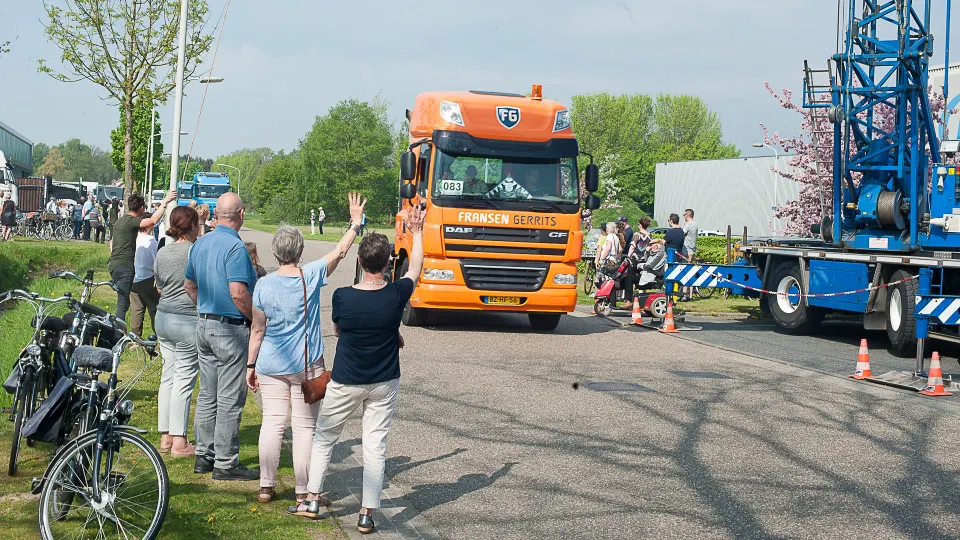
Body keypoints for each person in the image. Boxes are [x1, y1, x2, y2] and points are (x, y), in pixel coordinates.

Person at [294, 204, 425, 536]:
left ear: (360, 262)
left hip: (346, 379)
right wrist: (418, 231)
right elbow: (417, 270)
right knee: (375, 445)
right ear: (387, 264)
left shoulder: (342, 297)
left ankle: (311, 500)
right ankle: (367, 513)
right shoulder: (396, 294)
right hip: (384, 381)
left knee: (325, 437)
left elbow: (339, 329)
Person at [246, 195, 364, 505]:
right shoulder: (309, 275)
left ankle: (266, 486)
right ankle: (302, 490)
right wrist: (354, 223)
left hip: (270, 362)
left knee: (272, 422)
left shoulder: (263, 285)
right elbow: (339, 252)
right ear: (299, 251)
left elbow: (258, 329)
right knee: (304, 427)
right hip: (306, 364)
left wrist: (250, 366)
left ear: (275, 251)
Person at [183, 192, 260, 481]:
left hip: (204, 323)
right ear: (240, 214)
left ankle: (205, 454)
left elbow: (189, 284)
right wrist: (256, 320)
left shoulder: (201, 243)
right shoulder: (235, 248)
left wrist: (204, 308)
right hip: (229, 328)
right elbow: (239, 293)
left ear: (216, 213)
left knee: (207, 392)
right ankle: (226, 462)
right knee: (229, 396)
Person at [154, 207, 202, 458]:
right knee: (184, 380)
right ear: (192, 226)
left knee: (168, 377)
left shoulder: (162, 251)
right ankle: (180, 442)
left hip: (162, 318)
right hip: (186, 320)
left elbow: (159, 287)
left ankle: (166, 436)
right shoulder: (195, 251)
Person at [108, 192, 174, 322]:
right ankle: (117, 335)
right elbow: (153, 220)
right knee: (122, 305)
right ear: (142, 208)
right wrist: (165, 202)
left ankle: (123, 333)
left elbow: (111, 242)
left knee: (125, 302)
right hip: (124, 266)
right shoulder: (131, 221)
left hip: (113, 265)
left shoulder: (121, 220)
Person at [130, 220, 160, 337]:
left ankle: (135, 337)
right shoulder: (151, 240)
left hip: (134, 277)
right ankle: (158, 333)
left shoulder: (133, 239)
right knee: (154, 309)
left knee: (136, 310)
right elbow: (156, 259)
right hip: (147, 277)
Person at [682, 208, 698, 300]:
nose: (684, 216)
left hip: (686, 250)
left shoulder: (688, 225)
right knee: (691, 273)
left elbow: (681, 234)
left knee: (685, 273)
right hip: (692, 250)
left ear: (687, 215)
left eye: (684, 215)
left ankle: (684, 295)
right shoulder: (695, 224)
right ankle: (691, 295)